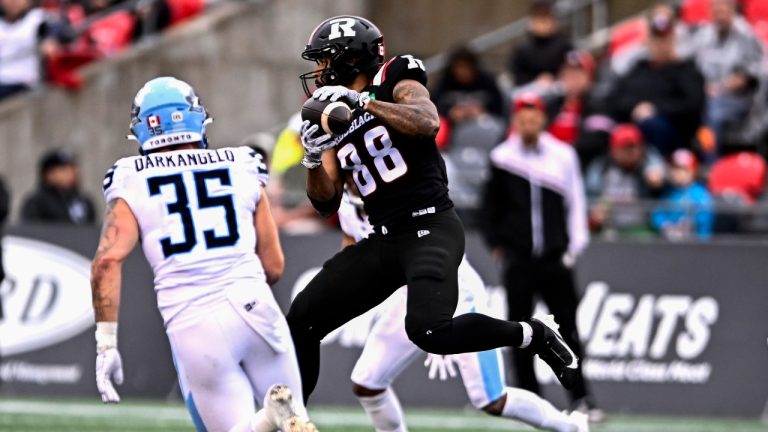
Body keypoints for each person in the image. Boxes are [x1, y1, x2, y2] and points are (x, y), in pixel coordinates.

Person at [289, 15, 580, 404]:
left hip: (431, 225)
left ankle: (533, 334)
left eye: (325, 60)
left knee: (429, 331)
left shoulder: (396, 75)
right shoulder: (329, 111)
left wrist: (363, 104)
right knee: (302, 320)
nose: (319, 71)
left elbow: (427, 122)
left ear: (349, 58)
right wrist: (311, 159)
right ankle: (293, 422)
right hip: (385, 237)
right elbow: (326, 202)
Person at [90, 77, 316, 432]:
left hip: (194, 322)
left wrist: (106, 342)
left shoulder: (129, 176)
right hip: (254, 304)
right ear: (194, 118)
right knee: (296, 418)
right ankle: (273, 419)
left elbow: (107, 260)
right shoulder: (242, 162)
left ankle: (265, 422)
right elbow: (274, 266)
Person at [337, 188, 589, 432]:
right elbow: (351, 244)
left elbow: (440, 252)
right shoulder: (345, 202)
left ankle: (571, 427)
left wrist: (439, 328)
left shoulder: (405, 197)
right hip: (409, 295)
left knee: (491, 400)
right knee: (367, 382)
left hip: (454, 289)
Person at [481, 93, 602, 421]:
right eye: (523, 117)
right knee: (520, 330)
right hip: (519, 260)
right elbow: (490, 208)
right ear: (515, 121)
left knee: (568, 329)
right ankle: (529, 400)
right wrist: (499, 244)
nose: (529, 123)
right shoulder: (503, 157)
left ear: (543, 119)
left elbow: (575, 203)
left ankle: (581, 398)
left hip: (554, 259)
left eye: (534, 117)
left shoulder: (562, 156)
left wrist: (573, 248)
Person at [609, 5, 705, 156]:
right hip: (634, 133)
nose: (660, 45)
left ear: (673, 38)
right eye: (656, 39)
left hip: (675, 139)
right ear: (648, 40)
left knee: (652, 124)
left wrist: (655, 108)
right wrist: (637, 108)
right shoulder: (639, 68)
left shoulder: (686, 70)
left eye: (665, 39)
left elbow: (692, 106)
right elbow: (617, 98)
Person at [691, 0, 764, 158]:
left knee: (712, 112)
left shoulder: (745, 34)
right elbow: (690, 62)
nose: (720, 14)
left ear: (733, 10)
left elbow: (748, 75)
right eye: (716, 10)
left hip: (739, 99)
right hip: (705, 93)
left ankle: (711, 163)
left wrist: (721, 88)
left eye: (723, 10)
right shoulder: (704, 34)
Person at [586, 123, 665, 236]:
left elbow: (662, 176)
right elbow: (590, 196)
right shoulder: (601, 167)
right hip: (609, 227)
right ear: (614, 149)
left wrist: (658, 180)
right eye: (625, 147)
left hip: (641, 227)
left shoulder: (648, 163)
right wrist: (595, 212)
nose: (630, 152)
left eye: (633, 147)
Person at [544, 50, 613, 169]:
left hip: (581, 165)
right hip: (548, 165)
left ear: (590, 77)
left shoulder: (598, 104)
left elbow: (596, 141)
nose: (571, 78)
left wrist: (563, 154)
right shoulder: (552, 105)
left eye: (578, 74)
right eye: (568, 73)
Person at [0, 0, 62, 100]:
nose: (13, 2)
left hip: (24, 83)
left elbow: (59, 28)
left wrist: (51, 40)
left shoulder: (38, 17)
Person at [651, 149, 714, 240]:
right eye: (674, 168)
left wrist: (688, 224)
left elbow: (705, 217)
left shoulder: (700, 193)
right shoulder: (669, 192)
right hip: (671, 242)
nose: (677, 172)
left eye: (682, 169)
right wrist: (665, 225)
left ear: (692, 171)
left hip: (697, 245)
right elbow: (658, 214)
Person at [21, 149, 96, 224]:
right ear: (49, 174)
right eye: (64, 170)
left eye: (73, 168)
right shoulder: (36, 204)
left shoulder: (84, 202)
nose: (72, 173)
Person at [509, 0, 573, 88]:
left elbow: (572, 72)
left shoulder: (565, 47)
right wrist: (536, 81)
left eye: (546, 17)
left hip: (559, 90)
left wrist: (554, 80)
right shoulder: (522, 50)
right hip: (529, 91)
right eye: (539, 18)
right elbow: (517, 76)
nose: (543, 23)